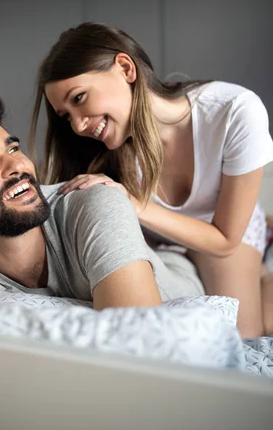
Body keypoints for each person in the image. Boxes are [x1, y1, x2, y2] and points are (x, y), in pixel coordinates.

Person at [0, 87, 207, 319]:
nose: (18, 165)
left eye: (13, 149)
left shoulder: (92, 202)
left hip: (188, 266)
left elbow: (135, 337)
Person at [29, 22, 273, 338]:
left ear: (125, 68)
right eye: (66, 116)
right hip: (158, 237)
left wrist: (135, 204)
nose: (77, 126)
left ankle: (263, 268)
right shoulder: (104, 150)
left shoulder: (235, 112)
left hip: (221, 234)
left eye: (79, 98)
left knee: (249, 336)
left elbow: (225, 239)